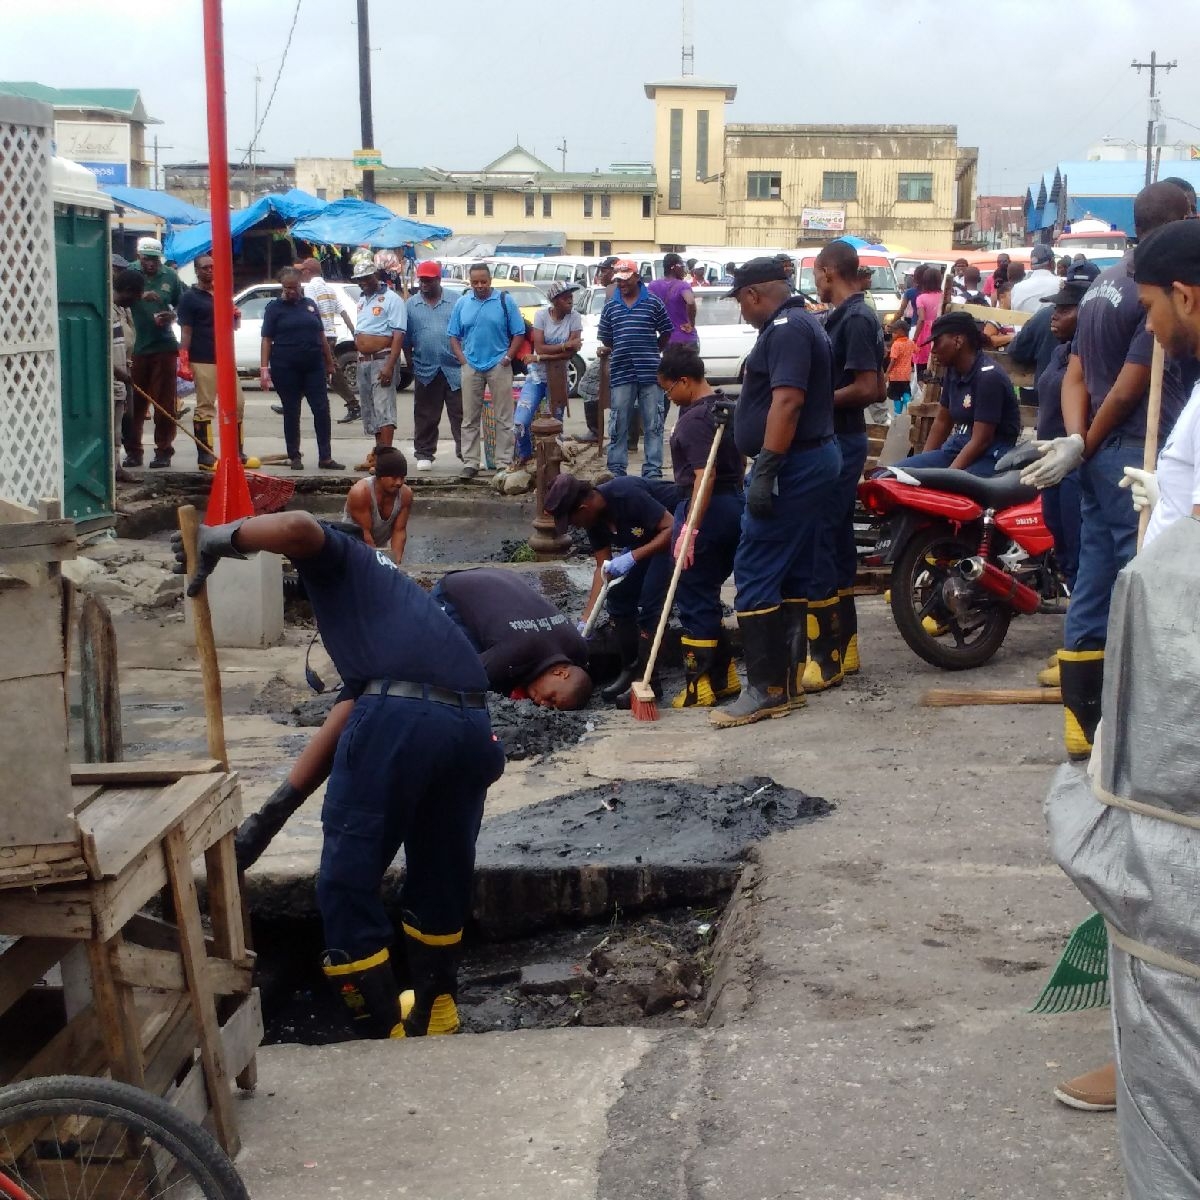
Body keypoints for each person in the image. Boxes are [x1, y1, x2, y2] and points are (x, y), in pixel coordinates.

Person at [174, 512, 505, 1040]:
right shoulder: (394, 611)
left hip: (402, 725)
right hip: (470, 728)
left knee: (346, 885)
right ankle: (436, 1011)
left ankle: (382, 1034)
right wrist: (265, 823)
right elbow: (351, 711)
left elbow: (300, 528)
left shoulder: (343, 558)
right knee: (441, 875)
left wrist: (221, 539)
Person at [1020, 181, 1191, 762]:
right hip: (1133, 453)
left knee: (1094, 584)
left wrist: (1076, 441)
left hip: (1099, 454)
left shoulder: (1099, 288)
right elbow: (1129, 385)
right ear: (1183, 218)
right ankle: (1140, 728)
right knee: (1148, 585)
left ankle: (1081, 724)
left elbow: (1074, 374)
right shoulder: (1157, 289)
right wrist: (1088, 441)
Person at [710, 257, 839, 728]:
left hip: (793, 464)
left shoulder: (786, 328)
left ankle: (765, 690)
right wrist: (744, 408)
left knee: (757, 566)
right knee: (791, 573)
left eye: (740, 303)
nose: (742, 313)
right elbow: (773, 397)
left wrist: (765, 466)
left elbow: (788, 400)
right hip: (808, 458)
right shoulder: (802, 322)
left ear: (753, 295)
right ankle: (783, 686)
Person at [813, 240, 885, 686]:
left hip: (843, 438)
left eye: (816, 275)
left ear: (826, 272)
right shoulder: (843, 316)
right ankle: (846, 645)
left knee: (823, 537)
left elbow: (871, 388)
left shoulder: (857, 318)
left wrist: (813, 403)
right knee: (837, 540)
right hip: (838, 436)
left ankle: (827, 656)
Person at [656, 343, 743, 708]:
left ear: (685, 381)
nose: (668, 396)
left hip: (707, 510)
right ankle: (725, 676)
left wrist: (690, 526)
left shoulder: (693, 420)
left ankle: (699, 685)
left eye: (668, 389)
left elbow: (702, 477)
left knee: (693, 593)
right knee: (706, 591)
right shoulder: (724, 408)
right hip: (734, 506)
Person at [545, 472, 673, 706]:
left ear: (583, 507)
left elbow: (672, 528)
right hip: (647, 543)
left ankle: (649, 681)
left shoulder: (626, 494)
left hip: (676, 535)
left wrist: (632, 557)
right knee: (618, 595)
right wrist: (586, 621)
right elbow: (602, 570)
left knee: (650, 604)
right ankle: (630, 668)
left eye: (572, 521)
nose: (574, 527)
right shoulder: (594, 521)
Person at [432, 568, 593, 709]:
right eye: (551, 698)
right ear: (561, 673)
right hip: (453, 591)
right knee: (473, 681)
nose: (543, 705)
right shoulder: (514, 656)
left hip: (500, 576)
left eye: (550, 706)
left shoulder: (578, 648)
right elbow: (462, 674)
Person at [892, 311, 1019, 476]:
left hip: (990, 454)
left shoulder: (988, 377)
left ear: (958, 341)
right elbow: (942, 423)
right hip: (958, 447)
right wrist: (920, 469)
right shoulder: (953, 372)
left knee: (946, 493)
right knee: (893, 476)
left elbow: (981, 440)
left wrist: (947, 477)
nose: (933, 351)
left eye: (937, 343)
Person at [259, 268, 344, 471]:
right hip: (285, 367)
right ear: (282, 287)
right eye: (287, 288)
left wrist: (329, 362)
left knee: (321, 409)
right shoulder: (274, 308)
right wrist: (264, 368)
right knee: (291, 411)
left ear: (300, 285)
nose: (291, 291)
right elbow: (267, 340)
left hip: (314, 365)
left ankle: (325, 457)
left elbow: (321, 336)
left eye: (294, 287)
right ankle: (294, 456)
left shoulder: (310, 305)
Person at [596, 258, 674, 479]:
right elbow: (607, 338)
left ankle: (652, 471)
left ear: (636, 278)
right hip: (621, 372)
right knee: (618, 423)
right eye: (618, 280)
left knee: (654, 424)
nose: (621, 284)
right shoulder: (611, 307)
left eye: (625, 279)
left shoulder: (653, 303)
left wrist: (652, 351)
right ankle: (616, 470)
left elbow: (666, 331)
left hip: (650, 372)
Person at [448, 263, 526, 480]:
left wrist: (507, 357)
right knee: (469, 418)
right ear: (470, 282)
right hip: (471, 366)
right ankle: (470, 463)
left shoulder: (505, 301)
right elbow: (453, 335)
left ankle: (503, 463)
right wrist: (462, 359)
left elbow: (518, 332)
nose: (480, 286)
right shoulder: (463, 302)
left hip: (499, 365)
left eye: (483, 281)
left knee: (504, 417)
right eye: (475, 282)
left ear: (490, 280)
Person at [177, 254, 248, 471]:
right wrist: (184, 357)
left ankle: (236, 451)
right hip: (202, 357)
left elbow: (233, 326)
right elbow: (186, 330)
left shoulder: (221, 293)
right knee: (206, 406)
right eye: (205, 268)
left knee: (237, 404)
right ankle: (205, 456)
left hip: (225, 358)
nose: (210, 271)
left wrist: (235, 314)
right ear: (197, 271)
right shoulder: (190, 298)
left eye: (213, 267)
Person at [124, 236, 183, 469]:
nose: (151, 264)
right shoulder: (129, 273)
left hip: (164, 346)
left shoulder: (170, 276)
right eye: (146, 259)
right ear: (139, 257)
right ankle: (133, 451)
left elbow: (180, 304)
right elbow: (116, 298)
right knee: (134, 404)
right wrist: (140, 296)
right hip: (136, 348)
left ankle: (164, 451)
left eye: (155, 259)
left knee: (164, 403)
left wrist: (172, 316)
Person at [514, 282, 583, 465]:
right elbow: (539, 345)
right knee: (520, 422)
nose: (570, 299)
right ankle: (525, 455)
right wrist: (563, 346)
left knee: (555, 424)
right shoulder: (542, 315)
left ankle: (553, 463)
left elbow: (571, 352)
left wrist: (540, 357)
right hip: (537, 376)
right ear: (554, 301)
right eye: (565, 296)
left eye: (571, 296)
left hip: (559, 377)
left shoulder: (575, 317)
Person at [405, 260, 463, 471]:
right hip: (425, 367)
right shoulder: (411, 304)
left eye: (428, 280)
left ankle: (467, 453)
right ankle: (424, 453)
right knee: (425, 414)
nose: (424, 284)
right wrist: (410, 361)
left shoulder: (456, 301)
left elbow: (464, 332)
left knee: (460, 414)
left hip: (454, 368)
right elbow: (406, 337)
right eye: (421, 280)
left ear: (438, 280)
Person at [350, 251, 406, 465]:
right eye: (359, 280)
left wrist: (390, 366)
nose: (362, 283)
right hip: (364, 361)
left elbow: (398, 334)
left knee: (384, 409)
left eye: (366, 278)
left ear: (375, 276)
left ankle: (387, 460)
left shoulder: (392, 299)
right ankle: (378, 455)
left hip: (382, 359)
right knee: (370, 409)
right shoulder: (363, 300)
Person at [299, 257, 357, 424]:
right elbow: (343, 312)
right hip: (331, 334)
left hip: (319, 334)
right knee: (319, 369)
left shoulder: (310, 287)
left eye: (303, 271)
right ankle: (292, 400)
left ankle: (353, 404)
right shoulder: (329, 288)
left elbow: (312, 310)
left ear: (308, 272)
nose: (301, 275)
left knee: (329, 370)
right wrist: (354, 332)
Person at [342, 446, 412, 561]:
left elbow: (399, 531)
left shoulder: (405, 494)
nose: (399, 482)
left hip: (378, 547)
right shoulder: (361, 493)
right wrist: (379, 565)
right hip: (352, 547)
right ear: (380, 476)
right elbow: (365, 534)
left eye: (402, 477)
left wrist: (396, 564)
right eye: (394, 478)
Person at [647, 252, 699, 344]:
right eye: (682, 266)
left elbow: (648, 307)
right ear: (675, 267)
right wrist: (691, 323)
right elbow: (690, 302)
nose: (684, 269)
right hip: (685, 338)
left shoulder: (653, 285)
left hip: (665, 340)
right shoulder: (683, 286)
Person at [910, 266, 943, 387]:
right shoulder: (944, 296)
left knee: (921, 369)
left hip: (925, 335)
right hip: (941, 331)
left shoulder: (921, 298)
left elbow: (922, 319)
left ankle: (924, 394)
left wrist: (914, 339)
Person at [1010, 244, 1060, 313]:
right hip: (1048, 323)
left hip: (1022, 323)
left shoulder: (1017, 288)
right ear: (1052, 263)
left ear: (1031, 266)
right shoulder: (1060, 284)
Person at [885, 319, 915, 415]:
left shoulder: (896, 345)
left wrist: (887, 373)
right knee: (906, 391)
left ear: (901, 331)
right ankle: (908, 407)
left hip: (895, 376)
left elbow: (893, 361)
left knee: (896, 395)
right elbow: (917, 350)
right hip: (906, 375)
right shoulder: (910, 343)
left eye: (894, 332)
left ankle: (897, 414)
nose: (893, 334)